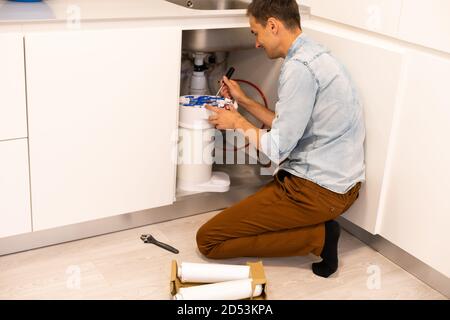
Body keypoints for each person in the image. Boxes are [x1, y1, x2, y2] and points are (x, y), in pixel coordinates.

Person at [197, 0, 365, 278]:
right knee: (246, 221)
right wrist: (245, 101)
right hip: (339, 185)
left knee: (209, 240)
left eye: (256, 33)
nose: (257, 44)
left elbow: (276, 147)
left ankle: (319, 236)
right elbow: (289, 127)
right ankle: (317, 228)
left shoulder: (298, 68)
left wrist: (236, 121)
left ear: (273, 25)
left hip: (317, 192)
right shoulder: (315, 55)